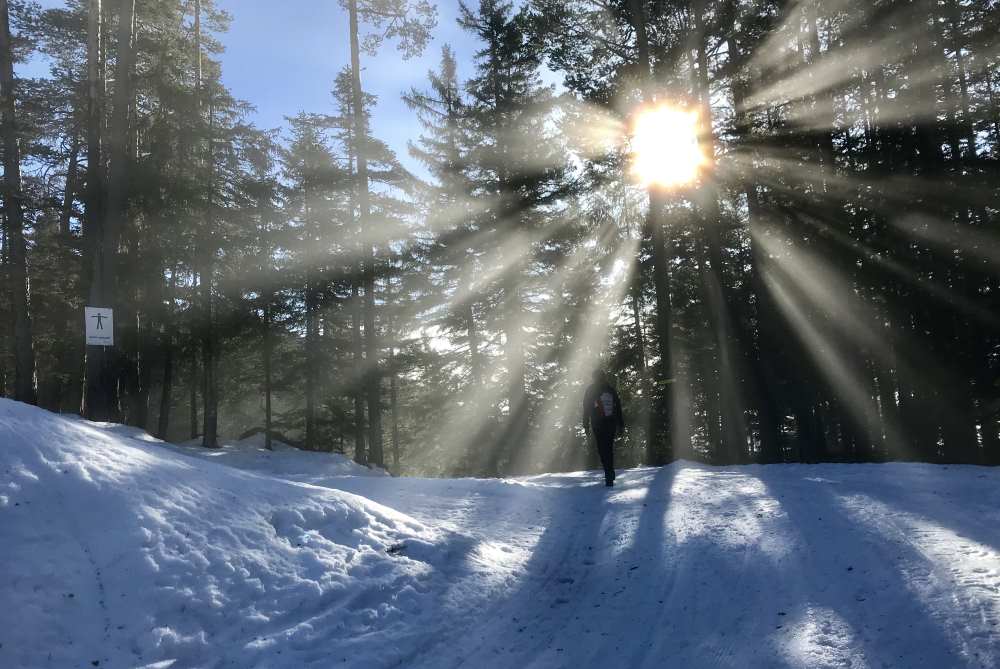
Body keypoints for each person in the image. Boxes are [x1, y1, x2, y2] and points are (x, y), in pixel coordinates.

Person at [583, 369, 625, 487]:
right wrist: (621, 424)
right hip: (610, 423)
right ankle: (609, 473)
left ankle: (608, 473)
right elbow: (618, 408)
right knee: (609, 448)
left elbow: (586, 408)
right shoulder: (611, 390)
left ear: (594, 377)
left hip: (597, 424)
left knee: (602, 449)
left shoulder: (590, 390)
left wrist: (585, 425)